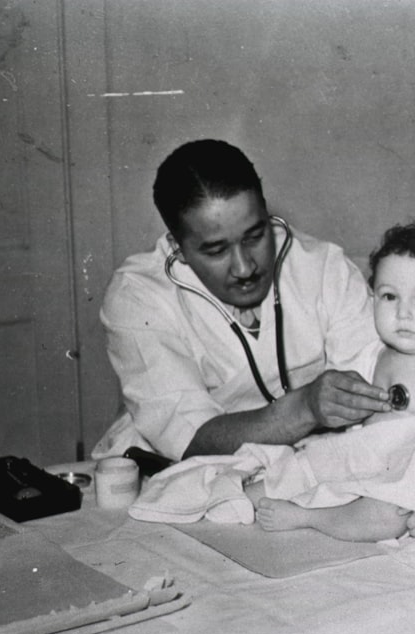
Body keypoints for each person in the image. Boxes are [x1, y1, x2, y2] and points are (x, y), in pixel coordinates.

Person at [93, 139, 391, 462]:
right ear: (177, 247)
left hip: (307, 463)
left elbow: (373, 383)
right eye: (216, 250)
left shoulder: (324, 269)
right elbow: (190, 438)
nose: (245, 267)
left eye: (255, 236)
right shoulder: (137, 295)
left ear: (267, 214)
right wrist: (305, 408)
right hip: (168, 470)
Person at [249, 219, 415, 542]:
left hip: (412, 477)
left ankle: (309, 517)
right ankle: (242, 496)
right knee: (305, 463)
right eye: (389, 296)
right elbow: (349, 425)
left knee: (387, 515)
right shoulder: (374, 354)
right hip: (366, 460)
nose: (403, 313)